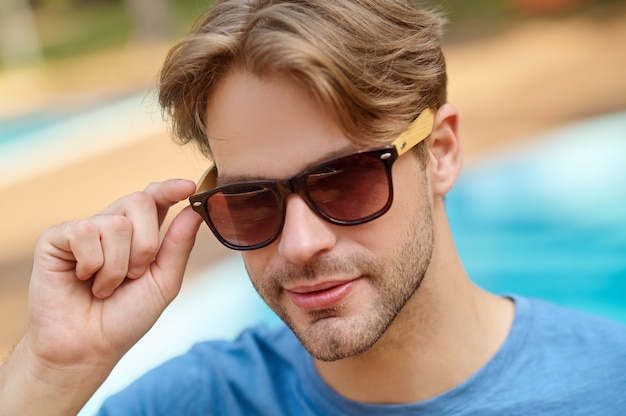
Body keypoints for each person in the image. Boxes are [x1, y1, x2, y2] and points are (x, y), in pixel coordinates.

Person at [1, 0, 626, 414]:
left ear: (438, 153)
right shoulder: (192, 403)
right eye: (250, 200)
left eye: (344, 181)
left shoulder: (609, 383)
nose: (301, 244)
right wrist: (54, 369)